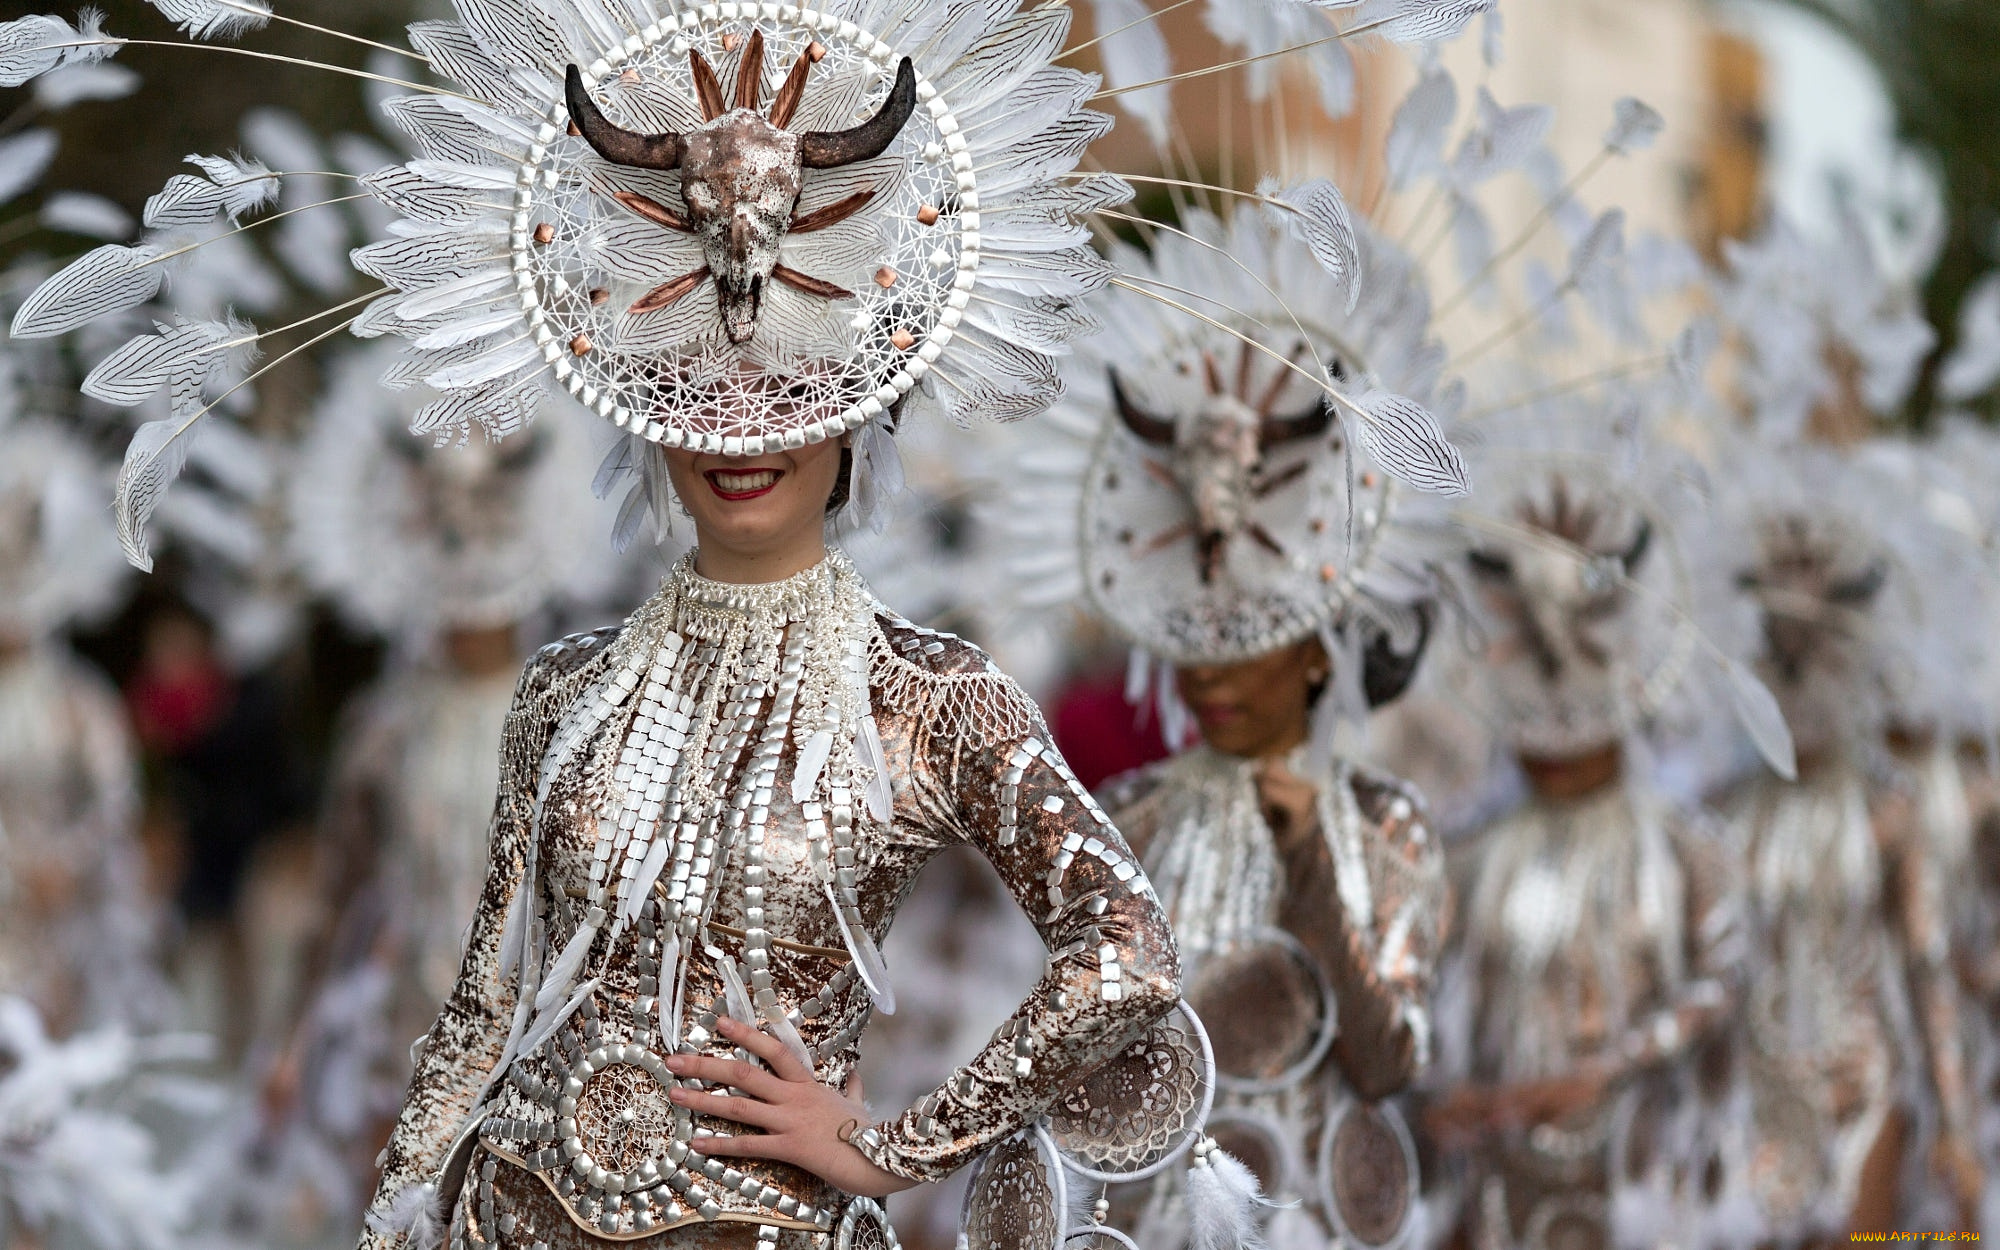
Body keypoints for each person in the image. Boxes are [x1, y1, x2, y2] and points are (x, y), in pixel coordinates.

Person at [990, 202, 1457, 1247]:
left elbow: (1389, 1059)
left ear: (1315, 644)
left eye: (1242, 644)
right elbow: (1067, 1064)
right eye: (1189, 643)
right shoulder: (1125, 816)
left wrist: (1311, 862)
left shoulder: (1384, 824)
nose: (1207, 678)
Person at [1422, 414, 1751, 1250]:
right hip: (1495, 1181)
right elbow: (1423, 1000)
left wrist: (1608, 1070)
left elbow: (1721, 982)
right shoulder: (1469, 859)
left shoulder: (1683, 852)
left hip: (1636, 1173)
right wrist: (1443, 1094)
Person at [1715, 444, 1982, 1237]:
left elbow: (1929, 973)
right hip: (1748, 1097)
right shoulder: (1720, 817)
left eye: (1819, 642)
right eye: (1778, 643)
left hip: (1862, 1092)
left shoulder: (1888, 814)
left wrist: (1956, 1124)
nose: (1797, 668)